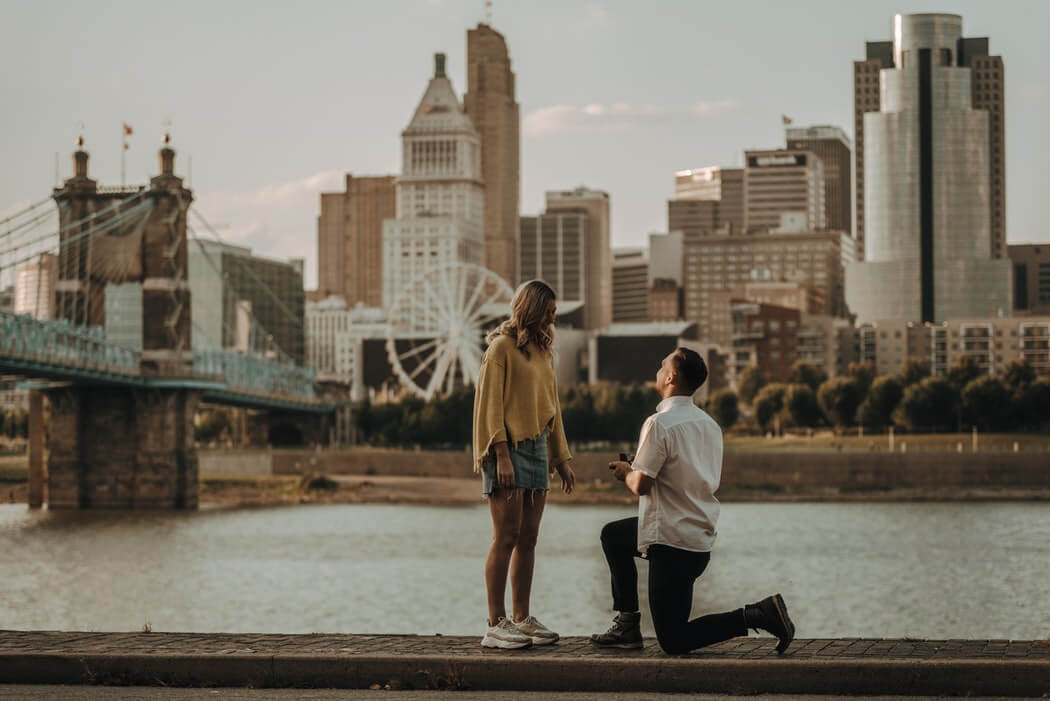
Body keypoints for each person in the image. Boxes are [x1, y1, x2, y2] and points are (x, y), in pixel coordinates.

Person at [591, 347, 795, 655]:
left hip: (669, 542)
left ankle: (758, 614)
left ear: (671, 377)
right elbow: (682, 471)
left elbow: (641, 486)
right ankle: (628, 622)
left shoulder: (659, 423)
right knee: (615, 535)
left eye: (662, 366)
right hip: (696, 542)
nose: (658, 371)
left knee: (674, 640)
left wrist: (625, 472)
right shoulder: (709, 425)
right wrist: (644, 465)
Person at [473, 279, 576, 650]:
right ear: (532, 309)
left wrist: (561, 457)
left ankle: (522, 618)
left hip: (536, 450)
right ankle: (494, 623)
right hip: (507, 448)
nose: (553, 317)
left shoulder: (544, 352)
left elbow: (553, 408)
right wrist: (500, 454)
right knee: (506, 537)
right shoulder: (500, 348)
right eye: (548, 311)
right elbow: (490, 406)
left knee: (529, 539)